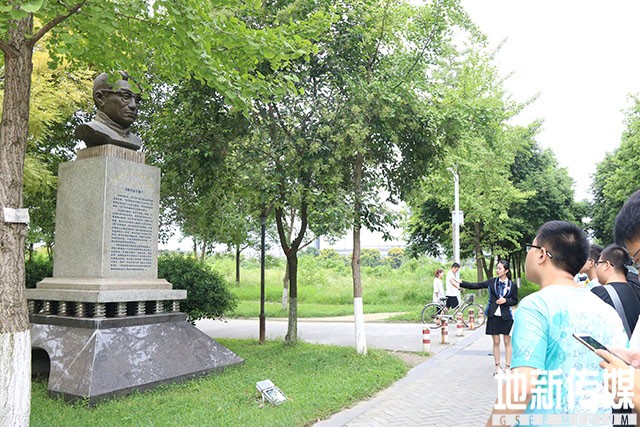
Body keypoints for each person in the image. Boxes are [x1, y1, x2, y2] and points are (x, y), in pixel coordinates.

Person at [487, 221, 627, 425]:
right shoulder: (608, 312)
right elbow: (623, 384)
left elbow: (521, 387)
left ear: (542, 254)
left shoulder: (536, 306)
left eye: (531, 247)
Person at [460, 260, 518, 376]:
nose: (497, 270)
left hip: (506, 316)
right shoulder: (492, 282)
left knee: (507, 342)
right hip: (493, 315)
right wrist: (461, 283)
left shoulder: (512, 285)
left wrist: (505, 301)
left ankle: (507, 366)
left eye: (500, 268)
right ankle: (497, 366)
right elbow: (477, 285)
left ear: (506, 270)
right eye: (497, 268)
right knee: (496, 341)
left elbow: (515, 300)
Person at [75, 71, 143, 151]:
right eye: (126, 96)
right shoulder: (91, 129)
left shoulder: (135, 140)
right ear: (100, 98)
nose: (133, 105)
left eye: (137, 100)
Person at [591, 243, 640, 338]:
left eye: (598, 263)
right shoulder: (636, 289)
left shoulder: (599, 293)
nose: (596, 268)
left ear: (607, 265)